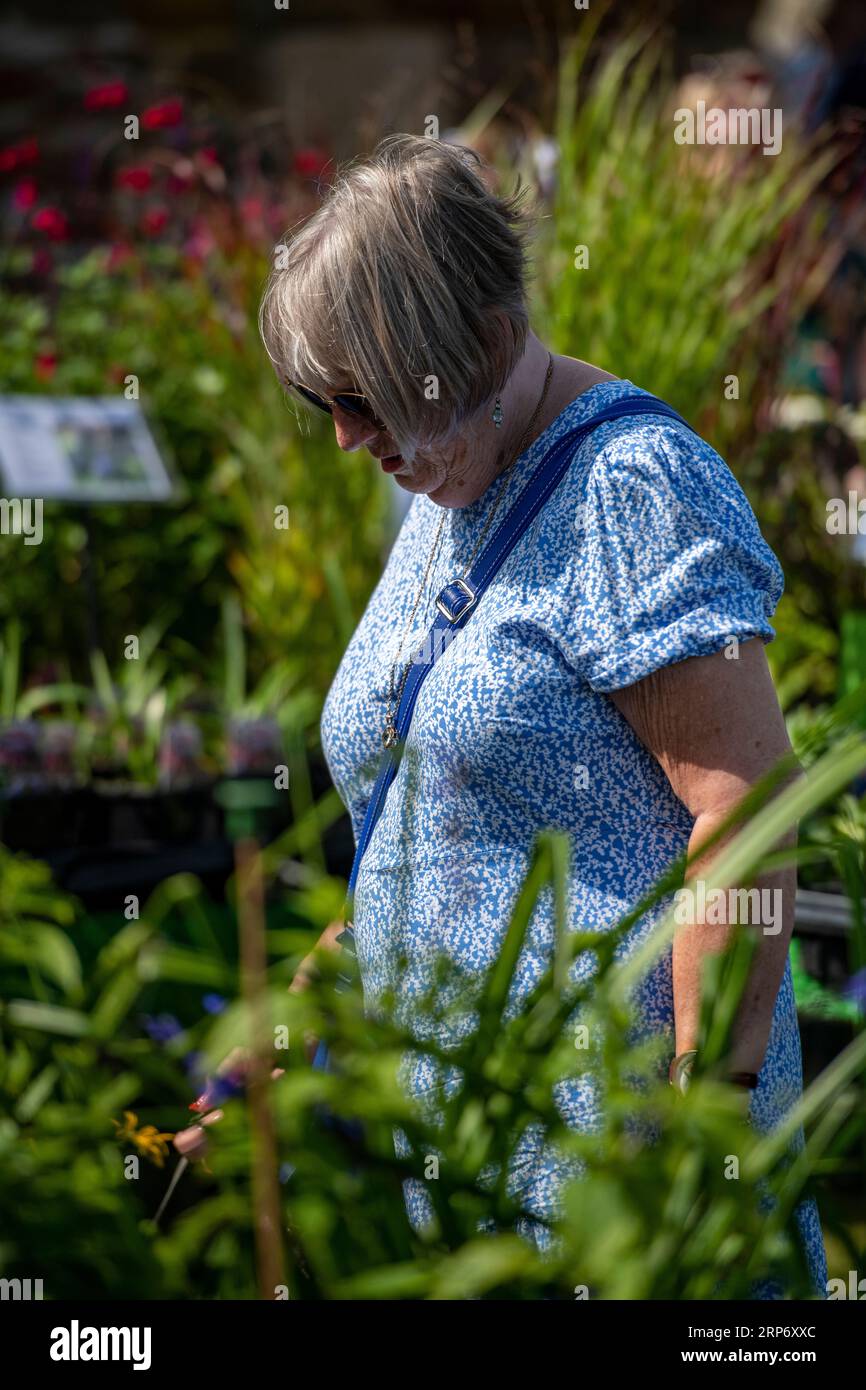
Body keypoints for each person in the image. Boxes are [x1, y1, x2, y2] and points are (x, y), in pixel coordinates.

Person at [254, 133, 825, 1294]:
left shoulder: (630, 488)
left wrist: (691, 1136)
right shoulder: (448, 478)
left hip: (616, 1186)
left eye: (359, 399)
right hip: (468, 1174)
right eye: (327, 399)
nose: (344, 438)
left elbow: (747, 815)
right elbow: (422, 810)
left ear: (484, 345)